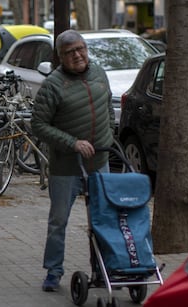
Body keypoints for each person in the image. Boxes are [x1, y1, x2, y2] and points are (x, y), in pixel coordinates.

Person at [31, 29, 115, 291]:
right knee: (59, 221)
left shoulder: (99, 73)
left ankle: (103, 268)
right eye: (70, 52)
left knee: (104, 219)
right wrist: (72, 143)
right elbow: (38, 124)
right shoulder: (53, 85)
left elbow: (108, 108)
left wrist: (109, 134)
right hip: (66, 167)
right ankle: (53, 272)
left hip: (100, 162)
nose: (77, 55)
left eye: (80, 49)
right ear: (60, 56)